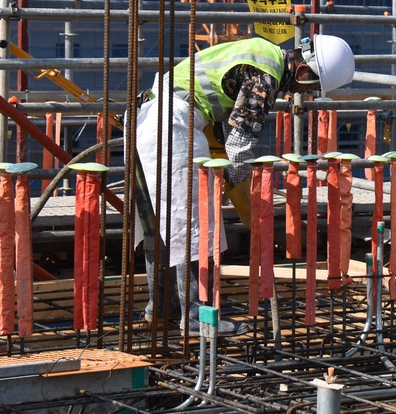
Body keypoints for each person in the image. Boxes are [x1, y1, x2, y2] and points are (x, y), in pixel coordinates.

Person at [133, 35, 355, 335]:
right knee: (195, 226)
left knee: (159, 225)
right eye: (312, 87)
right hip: (173, 126)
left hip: (148, 118)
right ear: (304, 72)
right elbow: (239, 147)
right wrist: (236, 184)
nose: (308, 93)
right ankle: (196, 317)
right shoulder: (266, 76)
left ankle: (161, 308)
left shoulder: (261, 52)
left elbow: (224, 113)